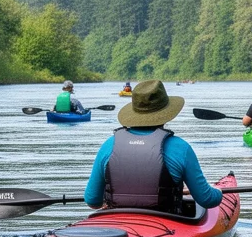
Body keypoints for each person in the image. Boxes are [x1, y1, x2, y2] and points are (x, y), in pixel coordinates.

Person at [85, 79, 223, 213]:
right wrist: (219, 192)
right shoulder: (181, 148)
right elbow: (207, 200)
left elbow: (92, 201)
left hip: (118, 223)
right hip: (166, 224)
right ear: (166, 114)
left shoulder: (109, 145)